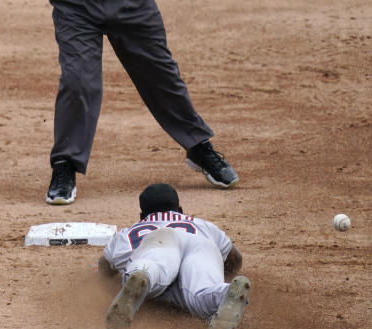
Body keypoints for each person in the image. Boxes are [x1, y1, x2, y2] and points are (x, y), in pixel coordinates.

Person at [46, 0, 239, 205]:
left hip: (133, 6)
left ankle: (197, 145)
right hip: (76, 7)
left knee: (161, 75)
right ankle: (65, 163)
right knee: (78, 81)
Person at [97, 183, 250, 329]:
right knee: (202, 293)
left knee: (154, 266)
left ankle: (144, 273)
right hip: (201, 245)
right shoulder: (203, 225)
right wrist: (222, 271)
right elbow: (235, 259)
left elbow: (104, 268)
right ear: (181, 211)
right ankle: (224, 292)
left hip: (161, 241)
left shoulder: (126, 234)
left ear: (142, 216)